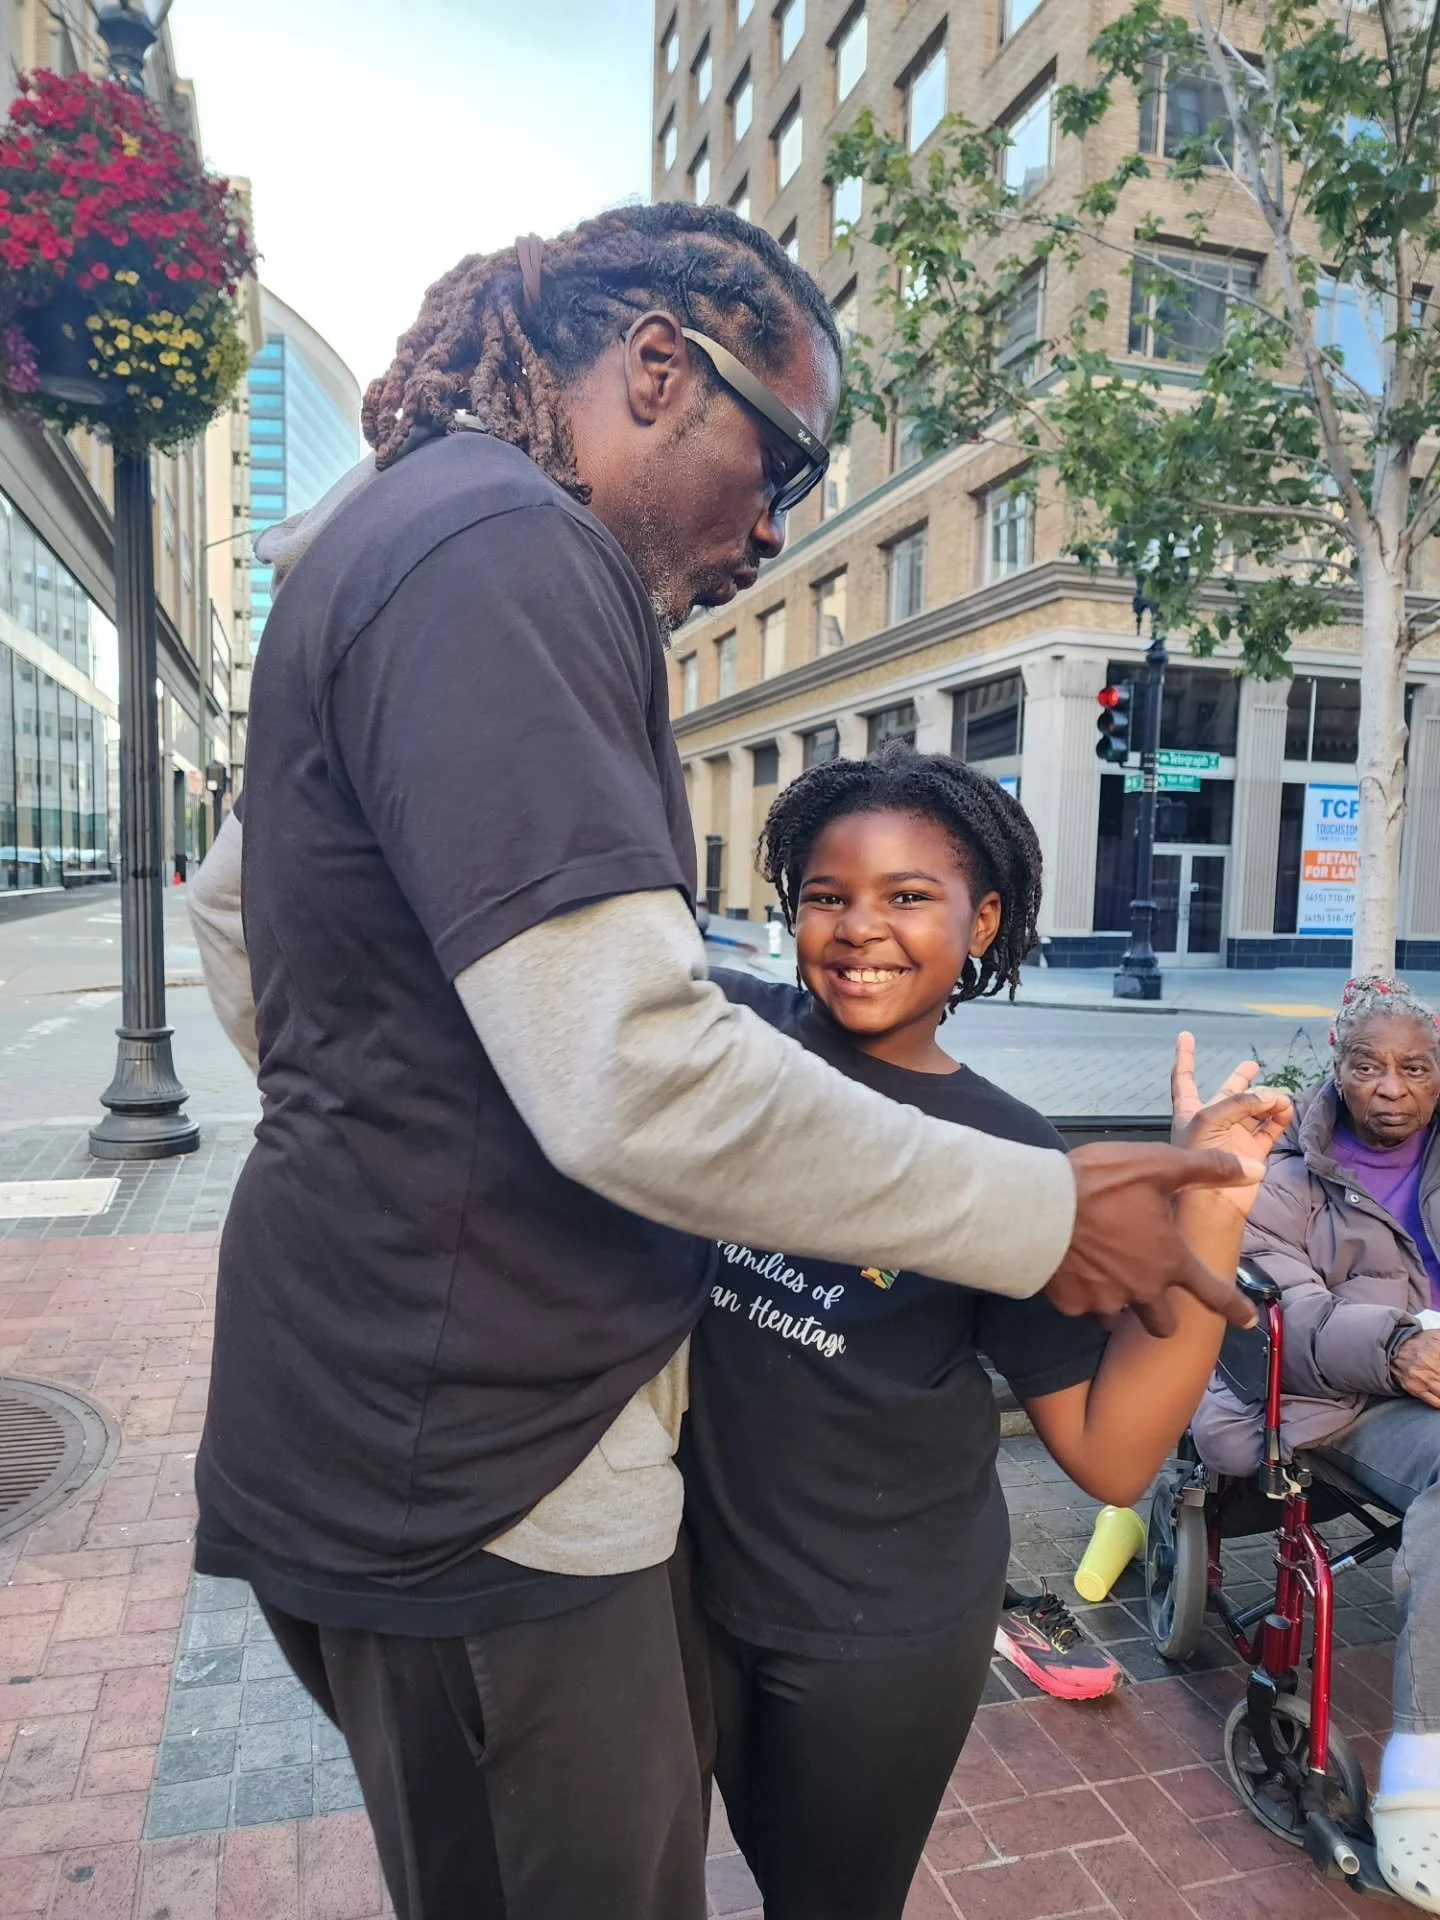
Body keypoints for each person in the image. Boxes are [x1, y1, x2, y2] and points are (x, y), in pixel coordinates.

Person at [186, 203, 1261, 1920]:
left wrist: (406, 1144)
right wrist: (1048, 1210)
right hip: (491, 1479)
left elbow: (240, 916)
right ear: (657, 367)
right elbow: (637, 1073)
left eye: (914, 899)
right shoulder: (509, 545)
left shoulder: (391, 543)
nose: (773, 529)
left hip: (398, 1446)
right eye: (785, 463)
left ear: (988, 923)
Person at [678, 747, 1291, 1920]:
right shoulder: (726, 1042)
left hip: (875, 1629)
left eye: (909, 894)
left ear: (985, 919)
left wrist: (1214, 1207)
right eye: (826, 894)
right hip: (667, 1586)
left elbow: (1111, 1452)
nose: (861, 926)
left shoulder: (1009, 1151)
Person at [1194, 973, 1440, 1913]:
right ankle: (1420, 1784)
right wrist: (1397, 1346)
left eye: (1416, 1068)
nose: (1392, 1089)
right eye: (1369, 1066)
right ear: (1336, 1067)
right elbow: (1285, 1318)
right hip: (1348, 1399)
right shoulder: (1284, 1176)